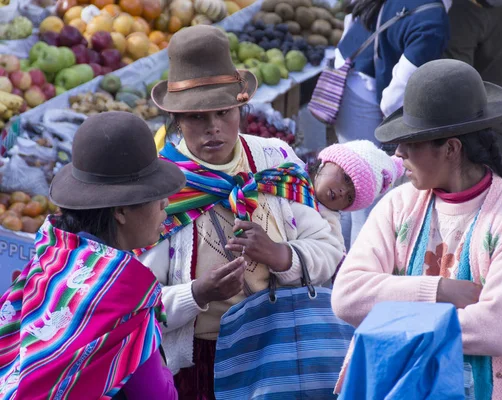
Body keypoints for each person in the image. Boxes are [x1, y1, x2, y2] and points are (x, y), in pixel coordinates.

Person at [136, 25, 345, 399]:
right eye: (198, 117)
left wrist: (282, 256)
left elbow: (329, 248)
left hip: (282, 351)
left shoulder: (274, 160)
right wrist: (197, 293)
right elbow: (137, 302)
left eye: (224, 112)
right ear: (177, 121)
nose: (214, 127)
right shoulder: (159, 187)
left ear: (241, 108)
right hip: (202, 367)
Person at [331, 59, 502, 399]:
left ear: (451, 148)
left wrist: (390, 314)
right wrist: (439, 290)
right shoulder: (398, 206)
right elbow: (347, 297)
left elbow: (496, 329)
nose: (399, 152)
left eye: (412, 143)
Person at [0, 111, 184, 399]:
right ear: (121, 210)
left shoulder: (53, 254)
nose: (165, 205)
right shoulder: (124, 297)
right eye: (156, 196)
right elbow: (158, 395)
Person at [333, 0, 451, 248]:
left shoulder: (426, 12)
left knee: (349, 199)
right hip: (364, 96)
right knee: (367, 204)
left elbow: (351, 17)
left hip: (350, 77)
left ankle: (333, 276)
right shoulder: (433, 20)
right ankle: (358, 281)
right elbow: (393, 101)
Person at [444, 0, 502, 194]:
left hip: (470, 10)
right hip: (496, 7)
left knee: (461, 93)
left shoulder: (464, 17)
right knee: (499, 96)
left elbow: (454, 88)